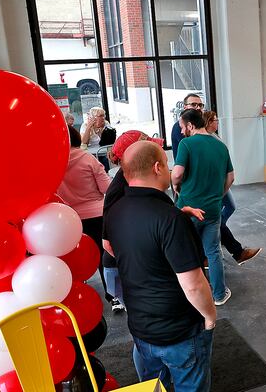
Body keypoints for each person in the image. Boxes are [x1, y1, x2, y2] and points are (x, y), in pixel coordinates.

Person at [104, 141, 215, 390]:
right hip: (180, 331)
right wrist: (209, 316)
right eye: (166, 163)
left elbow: (129, 246)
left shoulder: (115, 211)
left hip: (141, 328)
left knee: (154, 386)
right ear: (157, 168)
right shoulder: (170, 219)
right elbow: (194, 285)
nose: (169, 168)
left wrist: (175, 218)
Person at [172, 109, 235, 306]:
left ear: (190, 125)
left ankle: (192, 295)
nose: (181, 132)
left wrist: (175, 186)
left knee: (186, 252)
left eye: (182, 127)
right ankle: (218, 294)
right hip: (212, 209)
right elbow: (231, 177)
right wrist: (218, 196)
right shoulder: (221, 146)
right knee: (213, 251)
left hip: (187, 208)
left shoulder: (186, 144)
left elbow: (177, 174)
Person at [101, 131, 163, 312]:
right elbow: (107, 242)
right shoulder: (121, 188)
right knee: (142, 316)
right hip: (120, 269)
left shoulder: (134, 181)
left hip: (125, 267)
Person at [57, 125, 111, 299]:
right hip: (97, 215)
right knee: (105, 256)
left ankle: (78, 297)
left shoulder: (52, 163)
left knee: (76, 259)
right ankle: (113, 295)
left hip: (67, 220)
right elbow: (106, 187)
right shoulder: (88, 159)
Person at [202, 111, 262, 265]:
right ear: (208, 122)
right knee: (216, 220)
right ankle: (235, 249)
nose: (217, 122)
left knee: (228, 208)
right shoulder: (205, 141)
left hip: (219, 183)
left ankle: (221, 236)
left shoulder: (213, 139)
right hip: (216, 185)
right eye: (215, 120)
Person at [80, 106, 115, 172]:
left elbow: (110, 140)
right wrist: (88, 128)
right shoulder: (85, 125)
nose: (103, 118)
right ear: (94, 118)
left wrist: (102, 130)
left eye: (104, 115)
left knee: (106, 161)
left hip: (104, 151)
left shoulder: (106, 123)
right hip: (91, 153)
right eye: (101, 116)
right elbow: (84, 142)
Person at [171, 93, 204, 159]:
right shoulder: (179, 126)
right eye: (194, 104)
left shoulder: (202, 125)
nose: (198, 108)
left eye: (200, 105)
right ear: (185, 107)